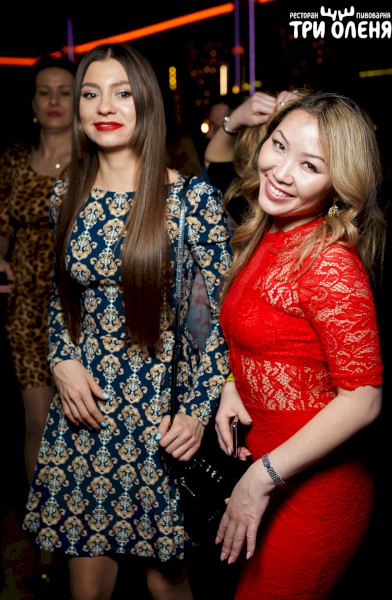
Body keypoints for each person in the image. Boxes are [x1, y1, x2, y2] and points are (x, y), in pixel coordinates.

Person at [22, 43, 231, 600]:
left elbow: (219, 319)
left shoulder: (190, 200)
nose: (104, 106)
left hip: (158, 418)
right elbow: (59, 297)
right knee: (86, 588)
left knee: (166, 585)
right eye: (91, 93)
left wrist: (195, 412)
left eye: (121, 93)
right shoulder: (66, 195)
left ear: (146, 102)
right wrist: (62, 360)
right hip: (84, 412)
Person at [214, 91, 386, 599]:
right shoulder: (266, 229)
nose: (282, 172)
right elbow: (265, 340)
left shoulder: (329, 264)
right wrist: (234, 383)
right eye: (279, 145)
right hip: (263, 471)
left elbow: (364, 398)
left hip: (313, 493)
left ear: (337, 184)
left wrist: (261, 477)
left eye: (310, 165)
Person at [0, 54, 76, 488]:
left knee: (80, 425)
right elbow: (2, 228)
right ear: (32, 102)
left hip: (80, 305)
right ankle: (43, 517)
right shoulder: (13, 160)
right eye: (45, 92)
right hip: (26, 307)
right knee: (38, 421)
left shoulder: (94, 160)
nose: (54, 101)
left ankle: (82, 515)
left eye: (64, 92)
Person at [205, 89, 304, 229]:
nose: (281, 175)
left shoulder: (247, 206)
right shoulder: (248, 202)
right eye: (278, 145)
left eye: (309, 165)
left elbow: (214, 161)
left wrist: (234, 120)